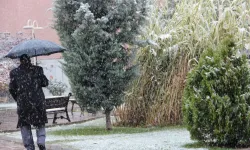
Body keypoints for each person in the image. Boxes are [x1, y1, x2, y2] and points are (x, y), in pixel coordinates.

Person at [9, 54, 48, 150]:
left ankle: (29, 146)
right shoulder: (38, 69)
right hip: (38, 101)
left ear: (20, 60)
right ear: (30, 60)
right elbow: (45, 83)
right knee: (40, 122)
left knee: (25, 124)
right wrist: (40, 75)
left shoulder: (14, 72)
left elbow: (11, 89)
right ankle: (41, 141)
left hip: (23, 102)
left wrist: (18, 98)